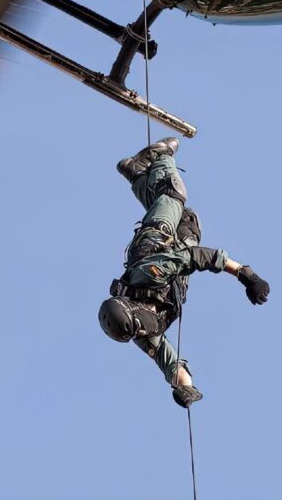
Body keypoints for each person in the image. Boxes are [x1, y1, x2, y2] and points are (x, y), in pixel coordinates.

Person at [98, 137, 270, 408]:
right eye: (138, 330)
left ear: (131, 307)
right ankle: (135, 172)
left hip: (157, 240)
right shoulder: (143, 333)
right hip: (175, 260)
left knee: (173, 195)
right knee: (190, 222)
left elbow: (197, 258)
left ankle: (159, 155)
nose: (143, 328)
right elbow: (169, 363)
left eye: (138, 324)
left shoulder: (149, 275)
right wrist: (185, 388)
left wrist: (246, 275)